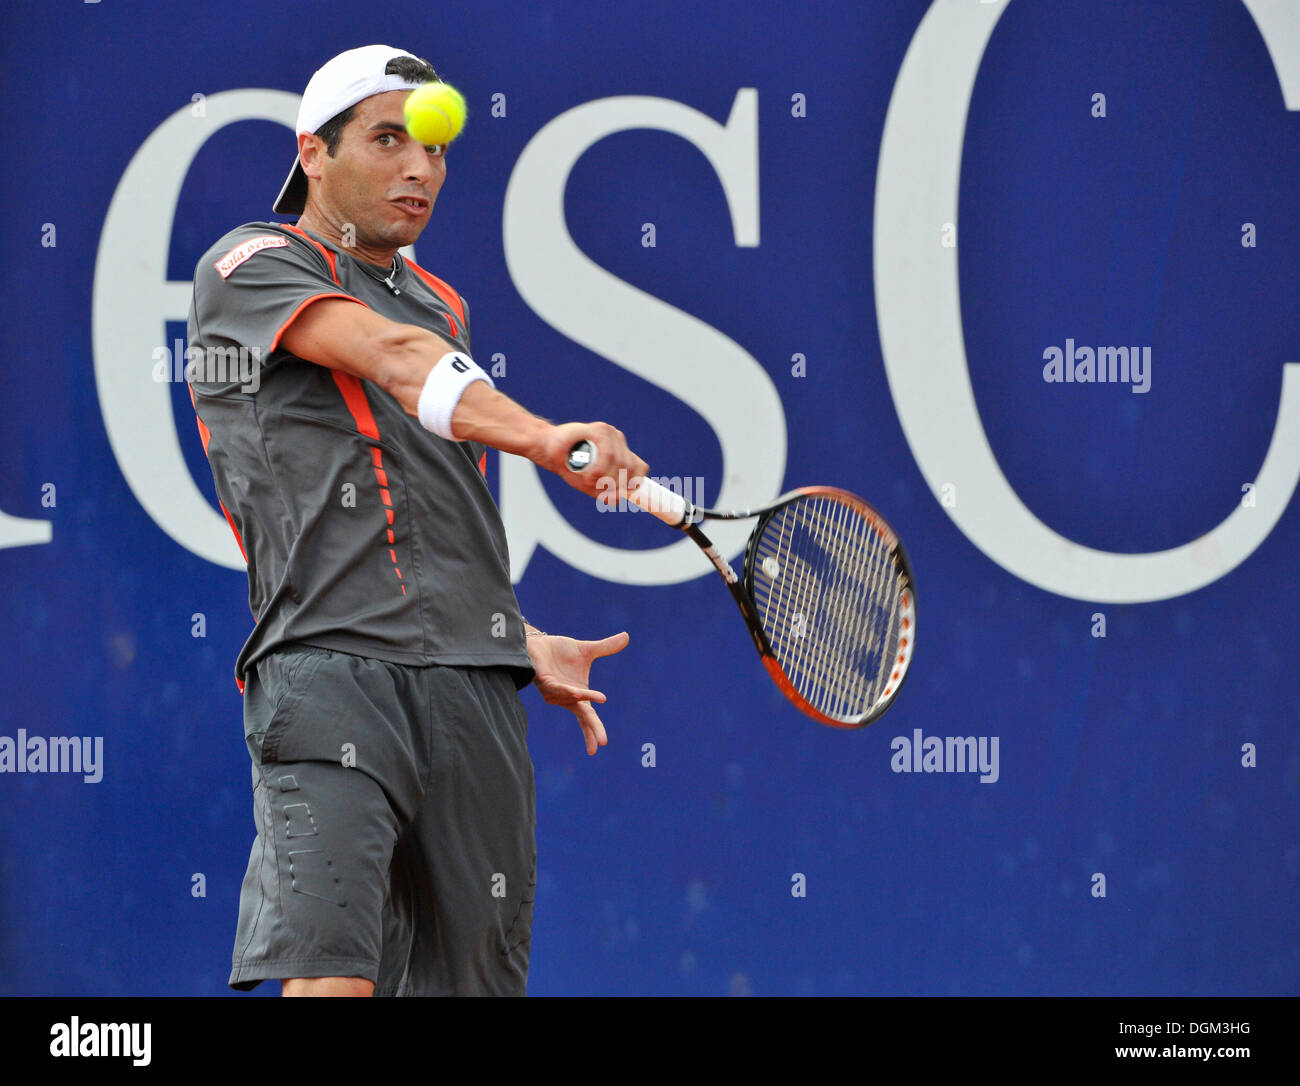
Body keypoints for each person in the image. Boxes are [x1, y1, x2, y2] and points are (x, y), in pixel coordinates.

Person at [186, 44, 648, 997]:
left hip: (468, 688)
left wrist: (511, 639)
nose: (419, 169)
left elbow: (429, 510)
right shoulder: (250, 265)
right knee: (333, 979)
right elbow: (393, 358)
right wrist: (547, 440)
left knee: (470, 984)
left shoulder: (441, 303)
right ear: (313, 154)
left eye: (433, 149)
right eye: (388, 140)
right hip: (330, 666)